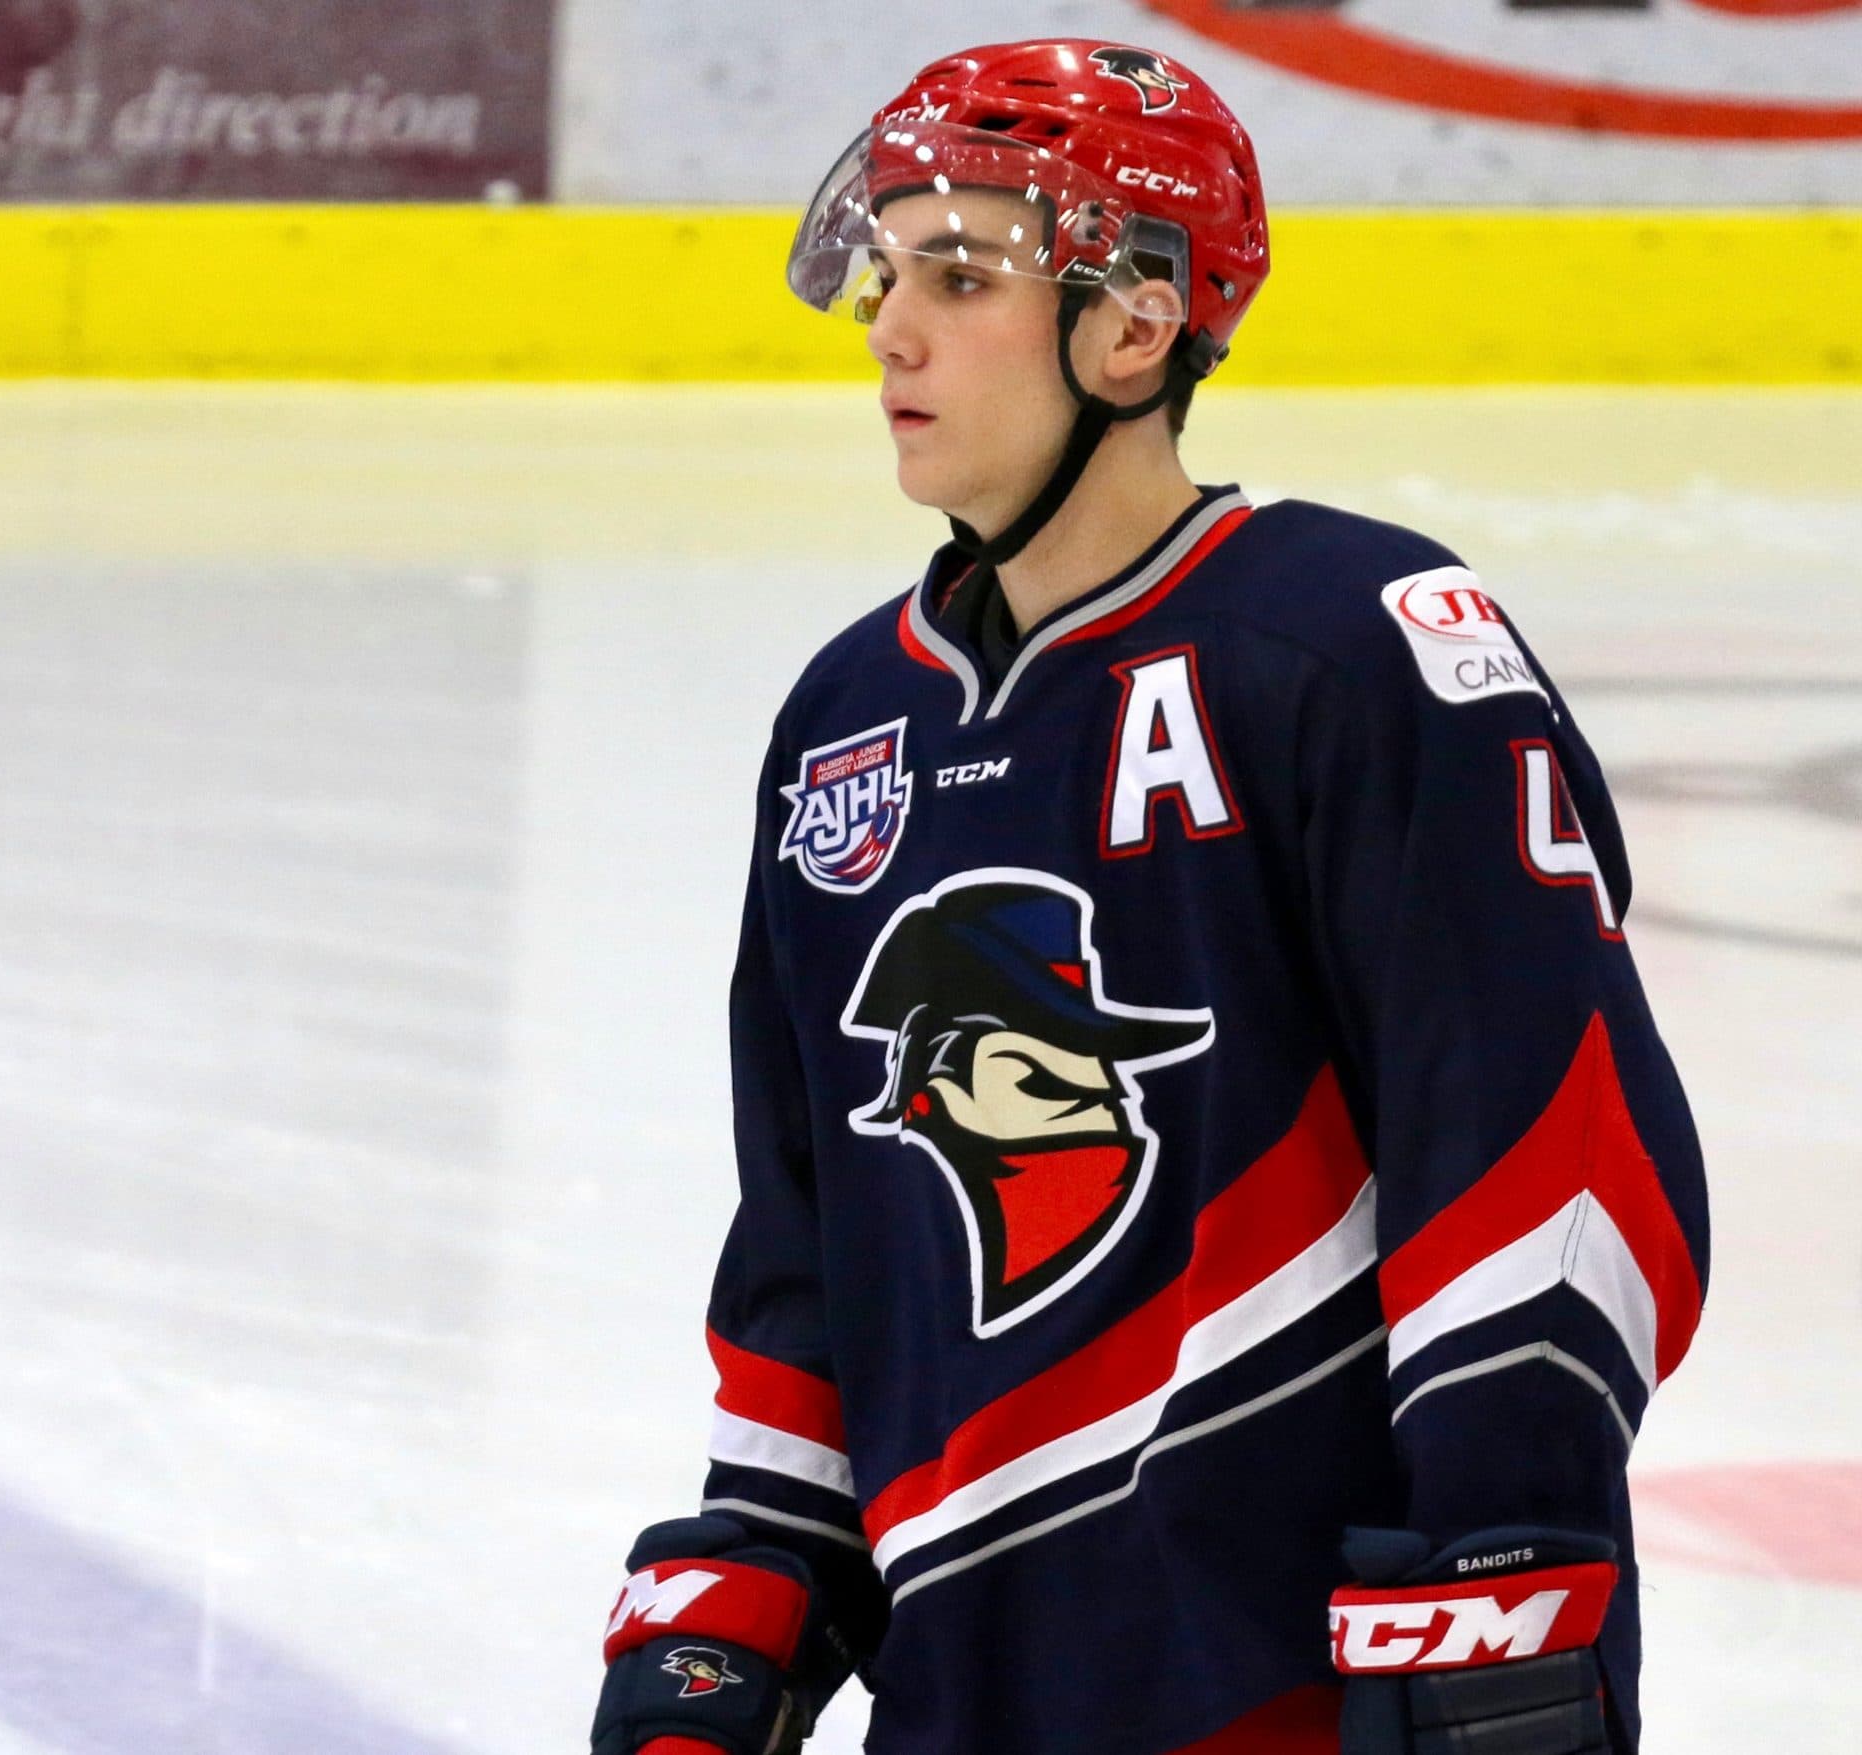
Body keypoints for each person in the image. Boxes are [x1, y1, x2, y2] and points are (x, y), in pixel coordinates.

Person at [590, 38, 1709, 1755]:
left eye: (960, 276)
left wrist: (1503, 1556)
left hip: (1303, 1682)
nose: (889, 327)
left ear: (1131, 326)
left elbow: (1548, 1138)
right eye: (889, 273)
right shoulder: (847, 724)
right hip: (967, 1687)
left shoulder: (1348, 642)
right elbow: (820, 1233)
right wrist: (754, 1567)